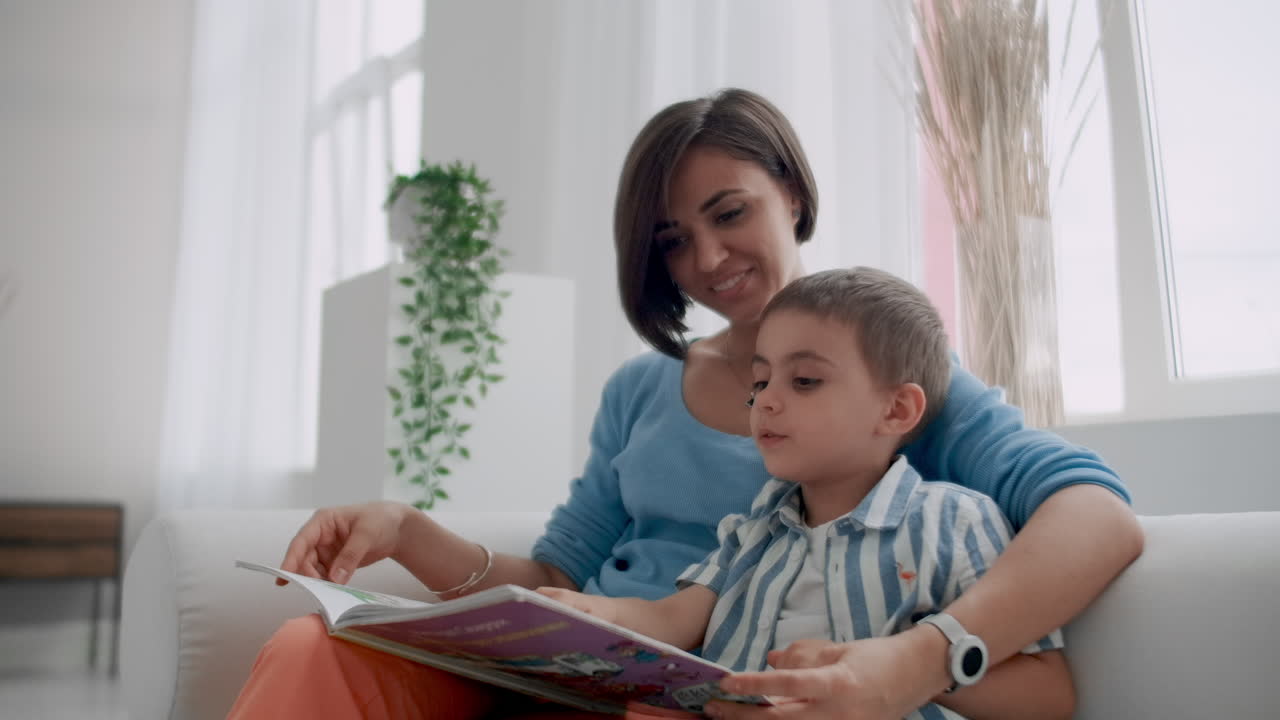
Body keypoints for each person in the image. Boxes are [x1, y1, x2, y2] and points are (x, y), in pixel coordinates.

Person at [228, 88, 1142, 720]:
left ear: (790, 190)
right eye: (673, 239)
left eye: (728, 212)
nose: (706, 259)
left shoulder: (889, 372)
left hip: (693, 698)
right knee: (313, 651)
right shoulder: (641, 388)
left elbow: (1096, 516)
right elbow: (559, 580)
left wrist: (919, 661)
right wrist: (405, 528)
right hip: (572, 669)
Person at [539, 267, 1074, 720]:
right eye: (761, 382)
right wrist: (590, 614)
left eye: (804, 382)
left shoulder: (954, 522)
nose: (766, 402)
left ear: (896, 410)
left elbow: (1048, 693)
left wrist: (899, 670)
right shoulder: (750, 532)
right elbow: (670, 621)